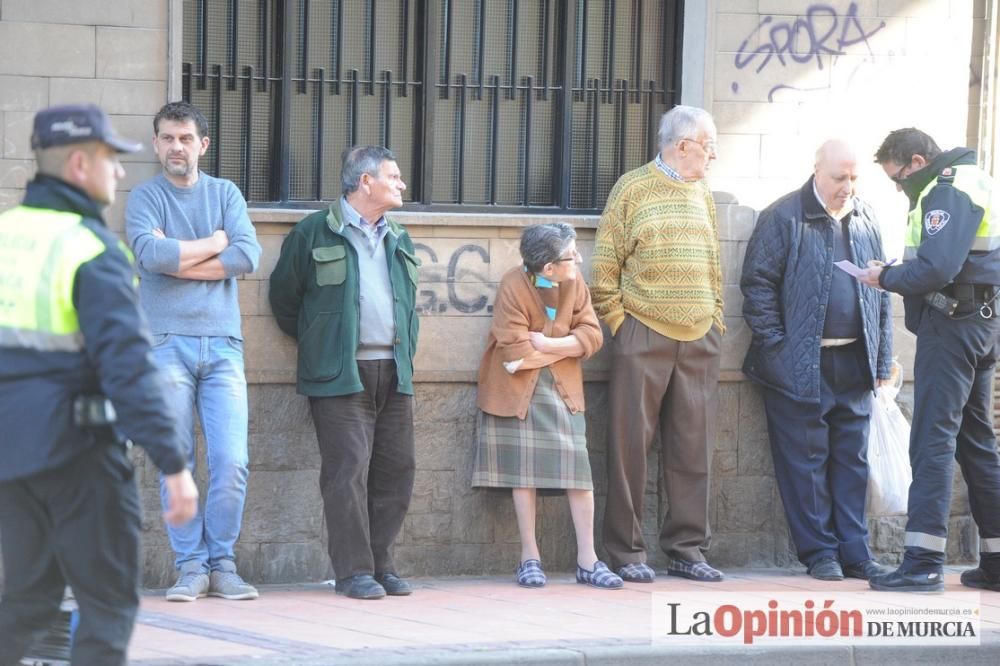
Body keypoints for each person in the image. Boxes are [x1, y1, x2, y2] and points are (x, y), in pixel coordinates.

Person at [0, 104, 198, 664]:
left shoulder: (5, 234)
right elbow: (129, 369)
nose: (118, 173)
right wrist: (174, 464)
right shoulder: (91, 251)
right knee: (107, 605)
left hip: (11, 461)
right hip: (79, 457)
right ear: (81, 164)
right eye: (113, 159)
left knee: (28, 602)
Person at [269, 145, 419, 600]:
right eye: (393, 177)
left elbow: (409, 306)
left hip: (394, 370)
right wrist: (324, 342)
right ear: (365, 181)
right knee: (347, 470)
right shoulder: (315, 232)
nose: (401, 185)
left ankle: (381, 563)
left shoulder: (399, 236)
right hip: (339, 373)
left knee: (397, 469)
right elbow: (284, 301)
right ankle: (353, 571)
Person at [125, 101, 262, 602]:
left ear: (203, 145)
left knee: (232, 461)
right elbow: (148, 255)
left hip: (224, 346)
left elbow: (246, 254)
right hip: (164, 345)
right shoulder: (145, 197)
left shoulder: (225, 193)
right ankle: (191, 567)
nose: (175, 147)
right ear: (156, 142)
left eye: (185, 138)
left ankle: (223, 563)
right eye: (167, 138)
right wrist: (213, 243)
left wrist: (178, 259)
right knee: (175, 461)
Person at [741, 139, 893, 582]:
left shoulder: (866, 217)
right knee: (805, 462)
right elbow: (758, 286)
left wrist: (882, 360)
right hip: (799, 364)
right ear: (817, 171)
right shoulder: (784, 216)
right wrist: (779, 349)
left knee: (852, 460)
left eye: (854, 177)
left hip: (855, 361)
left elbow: (881, 294)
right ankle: (820, 553)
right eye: (839, 177)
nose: (848, 187)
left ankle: (856, 552)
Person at [859, 128, 1000, 593]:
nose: (900, 189)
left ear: (917, 161)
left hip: (954, 325)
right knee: (976, 441)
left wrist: (887, 276)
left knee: (931, 441)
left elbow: (937, 268)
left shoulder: (946, 191)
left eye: (899, 178)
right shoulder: (977, 178)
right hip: (981, 322)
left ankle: (922, 563)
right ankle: (997, 561)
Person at [591, 105, 725, 583]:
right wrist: (619, 323)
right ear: (682, 145)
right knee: (628, 447)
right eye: (709, 145)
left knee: (694, 447)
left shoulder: (703, 192)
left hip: (699, 336)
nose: (714, 154)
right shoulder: (632, 188)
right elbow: (604, 264)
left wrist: (717, 318)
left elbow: (713, 260)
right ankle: (625, 553)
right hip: (642, 331)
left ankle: (687, 549)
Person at [472, 223, 623, 590]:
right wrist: (568, 347)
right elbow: (514, 352)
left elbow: (593, 336)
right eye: (572, 256)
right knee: (523, 476)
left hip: (563, 391)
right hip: (516, 391)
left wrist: (550, 345)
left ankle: (588, 560)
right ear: (548, 267)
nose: (579, 259)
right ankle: (529, 557)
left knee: (578, 473)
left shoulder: (576, 283)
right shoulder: (513, 285)